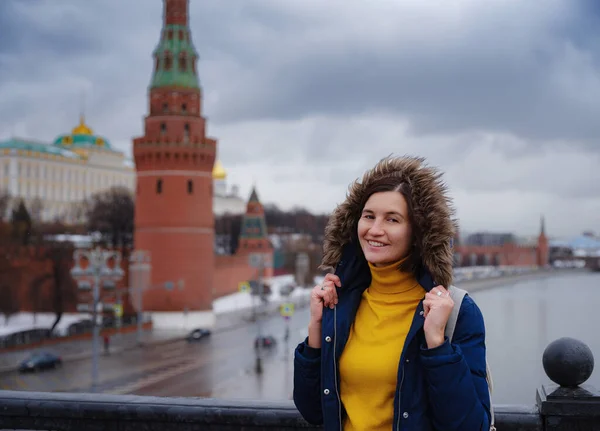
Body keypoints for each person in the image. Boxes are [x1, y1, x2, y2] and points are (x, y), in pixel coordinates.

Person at [293, 156, 492, 430]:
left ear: (418, 231)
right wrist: (316, 329)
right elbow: (314, 411)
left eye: (392, 219)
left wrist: (437, 344)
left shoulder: (455, 311)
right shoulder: (341, 302)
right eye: (368, 216)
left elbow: (470, 426)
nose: (375, 230)